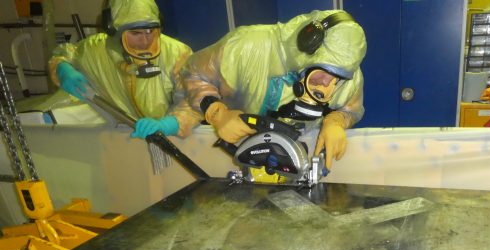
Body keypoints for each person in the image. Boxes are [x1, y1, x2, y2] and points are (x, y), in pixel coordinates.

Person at [177, 10, 367, 170]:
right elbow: (193, 74)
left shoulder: (349, 73)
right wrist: (218, 113)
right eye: (322, 72)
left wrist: (335, 122)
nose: (325, 84)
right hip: (232, 146)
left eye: (337, 79)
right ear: (307, 48)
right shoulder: (245, 47)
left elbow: (351, 109)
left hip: (288, 155)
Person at [48, 0, 201, 139]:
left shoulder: (177, 53)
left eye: (150, 31)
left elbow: (196, 98)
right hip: (120, 137)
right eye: (135, 33)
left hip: (169, 137)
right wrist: (63, 69)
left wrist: (170, 124)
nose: (145, 40)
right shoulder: (95, 50)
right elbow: (63, 54)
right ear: (114, 31)